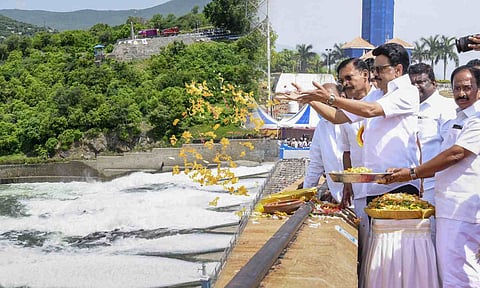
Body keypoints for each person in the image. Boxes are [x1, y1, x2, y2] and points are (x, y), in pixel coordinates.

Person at [384, 65, 480, 288]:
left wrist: (413, 173)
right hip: (450, 207)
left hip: (462, 210)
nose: (461, 94)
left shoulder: (477, 119)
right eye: (457, 88)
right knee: (453, 270)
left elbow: (456, 153)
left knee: (460, 274)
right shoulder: (461, 116)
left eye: (467, 88)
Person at [295, 43, 421, 203]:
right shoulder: (379, 95)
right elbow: (337, 117)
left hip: (399, 184)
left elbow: (369, 110)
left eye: (380, 69)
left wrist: (330, 99)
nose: (375, 75)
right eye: (375, 69)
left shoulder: (407, 92)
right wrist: (309, 100)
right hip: (374, 185)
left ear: (398, 70)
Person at [334, 57, 376, 288]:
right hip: (360, 189)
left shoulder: (380, 102)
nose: (346, 84)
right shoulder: (345, 112)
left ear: (366, 75)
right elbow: (347, 152)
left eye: (349, 77)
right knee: (365, 246)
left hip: (385, 186)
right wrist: (347, 183)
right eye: (342, 80)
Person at [408, 63, 456, 243]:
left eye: (421, 82)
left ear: (434, 83)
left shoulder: (445, 107)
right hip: (410, 182)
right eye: (412, 83)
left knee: (432, 236)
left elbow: (449, 148)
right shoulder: (409, 106)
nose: (417, 87)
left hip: (432, 185)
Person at [302, 83, 344, 204]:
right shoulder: (322, 126)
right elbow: (316, 164)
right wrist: (305, 194)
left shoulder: (355, 120)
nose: (326, 105)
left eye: (328, 100)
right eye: (321, 101)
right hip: (339, 198)